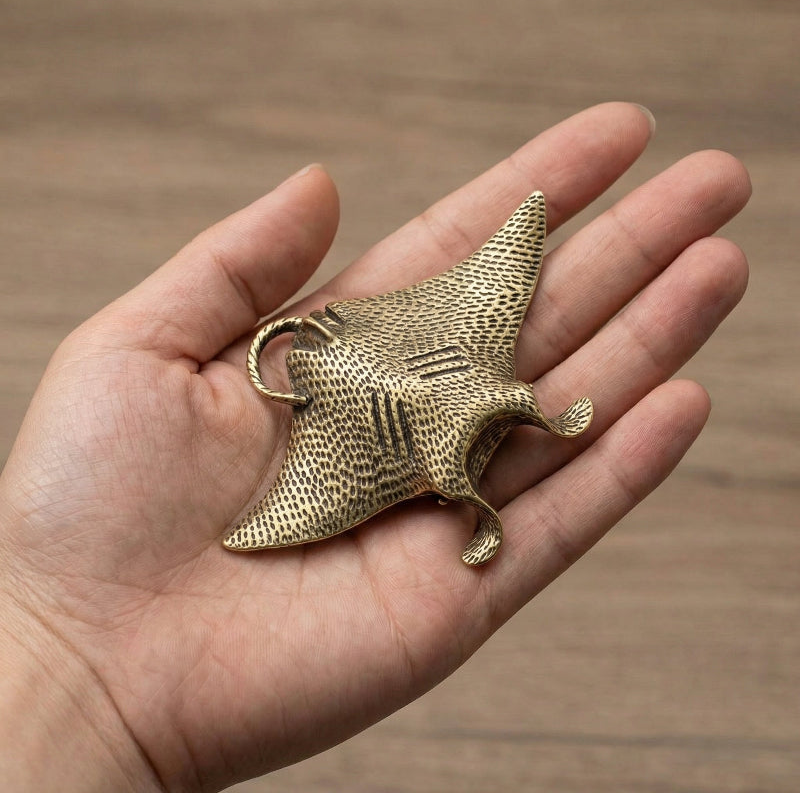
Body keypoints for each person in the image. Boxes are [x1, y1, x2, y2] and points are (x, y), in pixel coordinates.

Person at [0, 102, 750, 791]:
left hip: (436, 363)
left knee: (494, 413)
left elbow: (508, 270)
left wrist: (56, 652)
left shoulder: (462, 350)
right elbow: (499, 278)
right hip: (394, 374)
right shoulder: (389, 385)